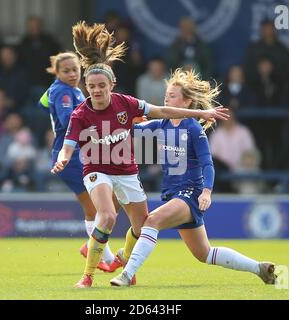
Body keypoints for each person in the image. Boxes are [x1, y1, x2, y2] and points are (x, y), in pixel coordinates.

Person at [51, 21, 229, 288]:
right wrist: (63, 157)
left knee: (141, 225)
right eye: (91, 86)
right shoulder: (80, 113)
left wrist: (201, 113)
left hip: (127, 171)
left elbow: (165, 111)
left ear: (112, 85)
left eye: (101, 85)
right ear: (86, 87)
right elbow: (69, 142)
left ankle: (124, 265)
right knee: (108, 216)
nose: (96, 91)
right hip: (97, 170)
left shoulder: (127, 104)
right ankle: (87, 277)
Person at [109, 69, 277, 287]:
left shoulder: (193, 127)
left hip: (190, 194)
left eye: (172, 95)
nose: (166, 99)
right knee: (204, 253)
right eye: (166, 95)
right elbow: (131, 131)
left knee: (151, 221)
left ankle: (126, 274)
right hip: (174, 195)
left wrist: (207, 191)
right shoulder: (162, 124)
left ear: (187, 101)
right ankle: (259, 268)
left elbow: (208, 163)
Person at [38, 51, 118, 272]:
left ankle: (93, 248)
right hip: (70, 155)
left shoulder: (64, 90)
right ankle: (105, 257)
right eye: (66, 71)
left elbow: (42, 103)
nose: (73, 74)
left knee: (100, 203)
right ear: (57, 72)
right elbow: (69, 119)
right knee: (95, 205)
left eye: (75, 70)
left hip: (78, 154)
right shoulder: (65, 93)